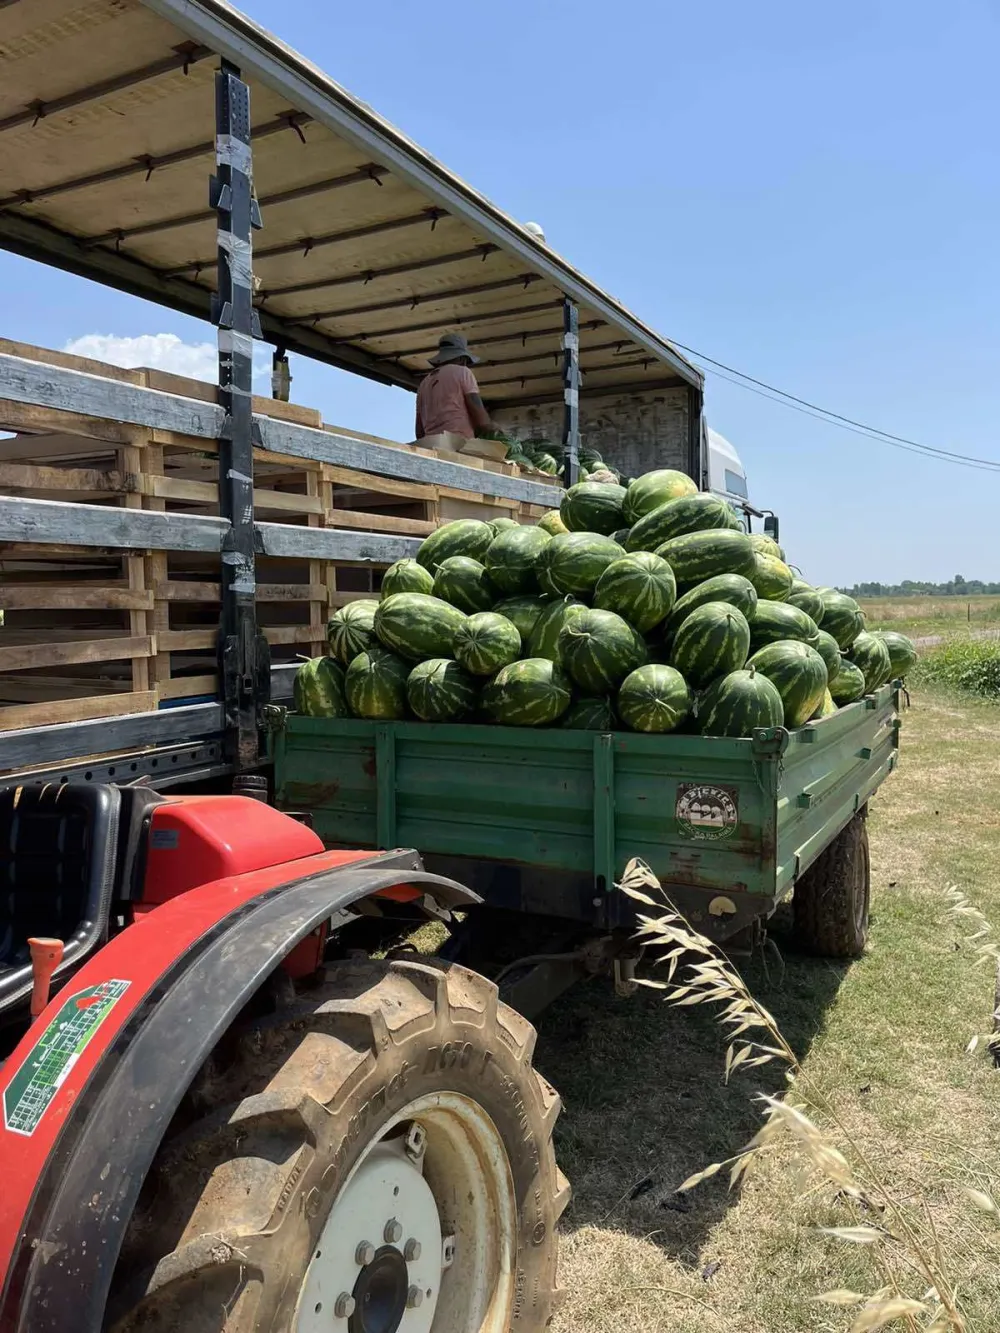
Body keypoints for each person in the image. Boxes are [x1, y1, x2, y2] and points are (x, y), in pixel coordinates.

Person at [414, 333, 497, 442]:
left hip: (432, 444)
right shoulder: (462, 372)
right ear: (462, 358)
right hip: (458, 442)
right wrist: (492, 428)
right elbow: (480, 416)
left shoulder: (424, 384)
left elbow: (419, 432)